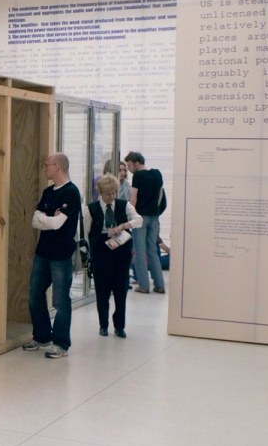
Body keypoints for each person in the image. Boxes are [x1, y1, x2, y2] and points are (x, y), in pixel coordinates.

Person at [23, 152, 81, 359]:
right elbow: (34, 220)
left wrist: (45, 219)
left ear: (57, 167)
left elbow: (57, 224)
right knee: (35, 295)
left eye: (47, 165)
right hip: (43, 252)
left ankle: (61, 344)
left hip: (61, 255)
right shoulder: (48, 192)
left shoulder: (71, 193)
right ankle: (41, 337)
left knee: (60, 301)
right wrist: (48, 219)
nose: (44, 168)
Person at [87, 174, 142, 338]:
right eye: (108, 194)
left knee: (120, 289)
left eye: (114, 193)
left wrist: (124, 225)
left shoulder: (124, 206)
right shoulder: (91, 209)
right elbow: (87, 232)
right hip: (101, 252)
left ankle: (119, 326)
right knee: (102, 290)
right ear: (100, 193)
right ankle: (103, 324)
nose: (111, 197)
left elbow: (139, 220)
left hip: (121, 252)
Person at [125, 151, 167, 294]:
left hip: (140, 217)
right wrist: (157, 211)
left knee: (140, 251)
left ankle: (144, 285)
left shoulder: (138, 176)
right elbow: (161, 196)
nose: (129, 169)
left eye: (129, 165)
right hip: (154, 217)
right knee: (153, 250)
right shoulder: (157, 173)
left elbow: (134, 198)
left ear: (136, 163)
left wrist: (130, 216)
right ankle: (159, 284)